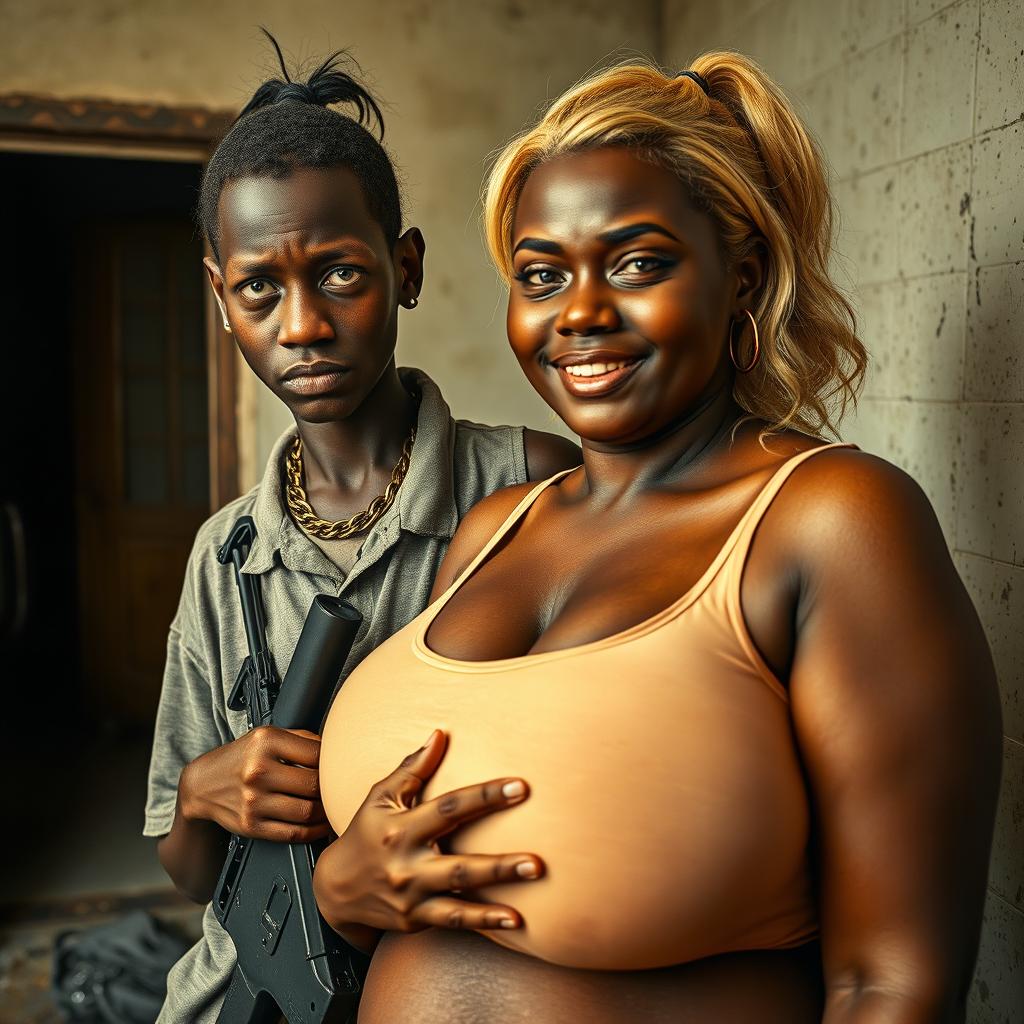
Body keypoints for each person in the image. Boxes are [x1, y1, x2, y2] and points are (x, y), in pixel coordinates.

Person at [311, 53, 1003, 1022]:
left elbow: (890, 985)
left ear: (742, 277)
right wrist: (339, 887)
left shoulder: (829, 521)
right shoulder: (493, 529)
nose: (580, 313)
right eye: (541, 274)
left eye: (636, 263)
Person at [143, 42, 580, 1024]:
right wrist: (205, 793)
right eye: (259, 288)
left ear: (406, 267)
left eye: (340, 273)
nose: (301, 324)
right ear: (222, 300)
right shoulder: (224, 557)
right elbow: (187, 877)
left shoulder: (529, 485)